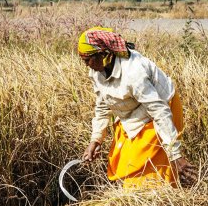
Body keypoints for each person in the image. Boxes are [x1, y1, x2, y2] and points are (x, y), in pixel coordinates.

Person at [78, 27, 198, 187]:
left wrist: (175, 155)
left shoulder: (133, 72)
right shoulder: (97, 72)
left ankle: (158, 196)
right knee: (127, 162)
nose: (86, 65)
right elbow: (102, 105)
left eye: (87, 60)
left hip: (161, 109)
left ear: (104, 54)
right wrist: (96, 140)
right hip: (134, 114)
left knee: (150, 170)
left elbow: (159, 111)